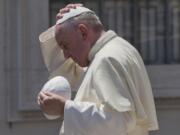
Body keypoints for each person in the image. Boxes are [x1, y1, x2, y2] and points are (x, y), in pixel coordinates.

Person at [37, 4, 158, 135]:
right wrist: (62, 22)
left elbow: (118, 120)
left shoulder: (106, 59)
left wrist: (64, 108)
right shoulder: (118, 48)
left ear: (83, 32)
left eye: (66, 46)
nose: (66, 55)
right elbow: (65, 71)